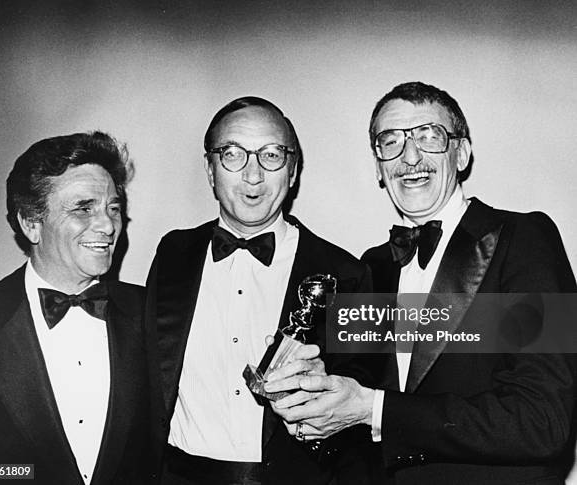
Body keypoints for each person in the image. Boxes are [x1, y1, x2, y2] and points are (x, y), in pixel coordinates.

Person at [266, 82, 577, 484]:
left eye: (429, 136)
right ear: (379, 167)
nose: (410, 157)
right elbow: (354, 414)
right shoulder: (371, 266)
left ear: (461, 153)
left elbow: (543, 421)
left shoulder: (525, 239)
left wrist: (373, 409)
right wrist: (316, 396)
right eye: (390, 141)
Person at [146, 96, 373, 485]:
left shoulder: (347, 274)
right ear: (210, 169)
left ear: (293, 169)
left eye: (271, 155)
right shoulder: (172, 253)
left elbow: (358, 422)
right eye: (233, 154)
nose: (253, 175)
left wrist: (319, 393)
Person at [0, 132, 151, 484]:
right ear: (31, 223)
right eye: (84, 208)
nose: (109, 226)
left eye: (114, 208)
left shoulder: (150, 313)